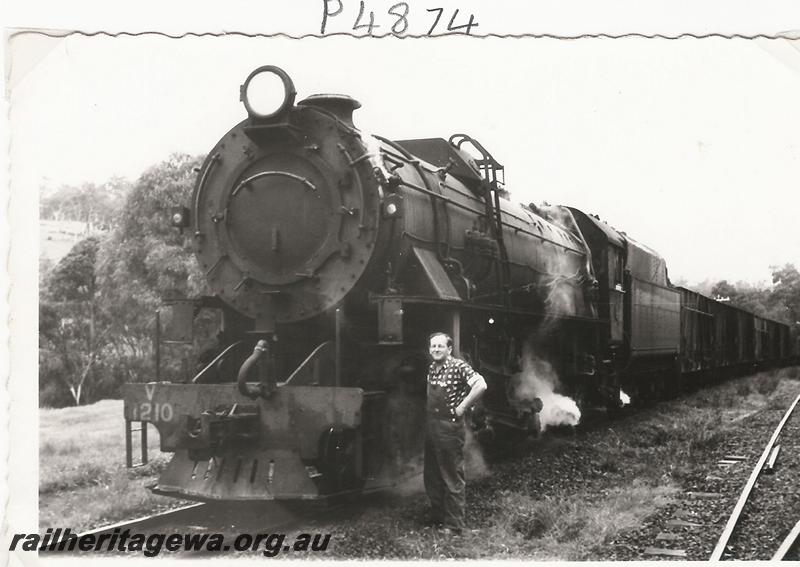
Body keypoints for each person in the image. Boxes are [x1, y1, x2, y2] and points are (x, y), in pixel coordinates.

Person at [424, 332, 487, 535]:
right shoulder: (433, 368)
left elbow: (481, 384)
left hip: (450, 428)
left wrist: (462, 407)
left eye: (440, 346)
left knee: (451, 475)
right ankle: (437, 516)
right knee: (432, 475)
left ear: (449, 349)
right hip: (433, 426)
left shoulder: (458, 366)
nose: (436, 350)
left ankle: (454, 524)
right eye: (433, 346)